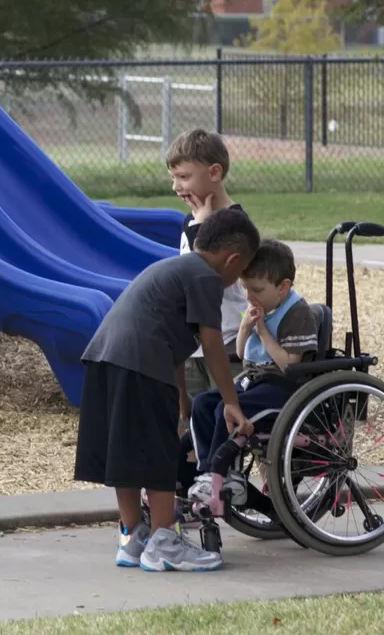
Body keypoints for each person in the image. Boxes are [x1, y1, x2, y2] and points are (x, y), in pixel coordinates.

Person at [73, 208, 260, 573]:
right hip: (142, 363)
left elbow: (169, 337)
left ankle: (133, 536)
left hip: (105, 358)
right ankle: (163, 542)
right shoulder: (206, 278)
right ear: (233, 259)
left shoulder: (175, 269)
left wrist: (180, 396)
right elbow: (211, 344)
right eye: (241, 273)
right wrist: (231, 401)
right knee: (159, 453)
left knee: (126, 452)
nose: (237, 282)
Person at [183, 239, 320, 503]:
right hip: (254, 381)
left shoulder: (297, 312)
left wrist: (263, 332)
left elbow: (290, 365)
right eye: (245, 287)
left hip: (282, 387)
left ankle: (224, 475)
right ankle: (209, 472)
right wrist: (245, 328)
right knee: (202, 403)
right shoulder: (261, 305)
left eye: (256, 289)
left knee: (224, 409)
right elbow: (242, 352)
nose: (248, 296)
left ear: (283, 287)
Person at [166, 128, 249, 398]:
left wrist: (200, 226)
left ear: (214, 173)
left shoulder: (234, 222)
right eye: (173, 178)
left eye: (184, 177)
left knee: (227, 409)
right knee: (192, 414)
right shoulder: (190, 220)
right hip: (192, 345)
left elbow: (206, 272)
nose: (176, 187)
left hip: (225, 338)